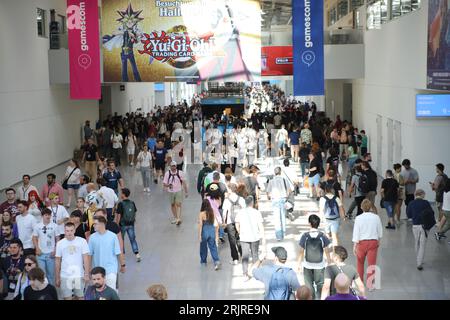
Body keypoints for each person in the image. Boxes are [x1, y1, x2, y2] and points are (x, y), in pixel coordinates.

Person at [297, 214, 332, 300]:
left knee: (309, 285)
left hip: (307, 265)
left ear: (309, 223)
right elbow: (327, 250)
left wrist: (298, 264)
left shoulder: (305, 236)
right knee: (320, 284)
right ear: (318, 224)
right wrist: (329, 261)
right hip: (320, 265)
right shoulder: (322, 236)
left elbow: (301, 251)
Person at [352, 199, 383, 290]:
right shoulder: (376, 217)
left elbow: (356, 233)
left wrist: (354, 245)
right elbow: (380, 231)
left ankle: (360, 283)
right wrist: (379, 240)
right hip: (373, 242)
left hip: (361, 243)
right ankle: (370, 285)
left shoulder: (358, 218)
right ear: (371, 208)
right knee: (372, 264)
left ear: (361, 207)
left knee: (360, 263)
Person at [55, 222, 90, 300]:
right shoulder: (60, 243)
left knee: (80, 297)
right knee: (67, 298)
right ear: (64, 231)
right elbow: (58, 261)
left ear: (74, 230)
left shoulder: (82, 241)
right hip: (65, 275)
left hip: (79, 275)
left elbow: (86, 258)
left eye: (71, 230)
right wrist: (57, 277)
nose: (69, 233)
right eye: (67, 231)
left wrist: (86, 274)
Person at [88, 216, 124, 291]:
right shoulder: (92, 237)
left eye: (95, 224)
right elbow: (89, 255)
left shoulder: (113, 236)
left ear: (102, 224)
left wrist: (123, 265)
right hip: (97, 272)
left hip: (110, 271)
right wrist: (88, 270)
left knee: (111, 292)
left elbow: (118, 252)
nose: (93, 225)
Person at [235, 196, 265, 281]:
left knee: (245, 255)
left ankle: (245, 274)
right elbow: (260, 226)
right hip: (255, 237)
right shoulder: (257, 212)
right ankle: (257, 273)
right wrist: (263, 238)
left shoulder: (240, 212)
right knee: (255, 255)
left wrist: (240, 232)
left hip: (244, 237)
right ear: (252, 203)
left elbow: (237, 224)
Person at [405, 189, 435, 270]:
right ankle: (419, 262)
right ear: (422, 194)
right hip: (424, 226)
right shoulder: (426, 203)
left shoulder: (411, 203)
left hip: (415, 226)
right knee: (422, 244)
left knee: (417, 242)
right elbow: (432, 213)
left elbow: (409, 215)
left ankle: (419, 258)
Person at [32, 208, 58, 285]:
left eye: (49, 215)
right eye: (46, 215)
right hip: (40, 254)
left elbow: (58, 238)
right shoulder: (37, 226)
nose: (48, 216)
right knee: (41, 275)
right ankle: (42, 292)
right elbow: (34, 238)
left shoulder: (55, 226)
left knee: (51, 275)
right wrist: (37, 249)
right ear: (42, 216)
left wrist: (55, 250)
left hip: (51, 254)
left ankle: (51, 292)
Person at [221, 184, 244, 265]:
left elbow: (224, 212)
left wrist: (224, 221)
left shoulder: (227, 200)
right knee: (240, 238)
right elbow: (244, 210)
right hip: (240, 221)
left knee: (232, 241)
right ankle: (242, 255)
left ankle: (235, 259)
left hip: (230, 222)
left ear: (230, 190)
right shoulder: (241, 199)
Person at [116, 188, 141, 262]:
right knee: (132, 239)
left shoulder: (120, 204)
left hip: (123, 224)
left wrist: (117, 224)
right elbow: (135, 212)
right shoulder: (132, 202)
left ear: (123, 194)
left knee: (121, 240)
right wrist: (134, 219)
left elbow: (119, 215)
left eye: (121, 193)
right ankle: (137, 254)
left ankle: (122, 255)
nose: (121, 194)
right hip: (131, 224)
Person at [266, 167, 291, 241]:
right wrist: (286, 197)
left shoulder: (271, 181)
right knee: (283, 216)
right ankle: (283, 232)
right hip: (283, 199)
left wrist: (268, 197)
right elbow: (289, 190)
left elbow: (268, 191)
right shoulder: (284, 180)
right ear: (280, 172)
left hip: (275, 200)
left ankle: (278, 236)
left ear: (274, 173)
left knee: (277, 218)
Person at [163, 161, 188, 226]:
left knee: (178, 204)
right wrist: (168, 185)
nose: (173, 167)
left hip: (178, 190)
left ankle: (178, 218)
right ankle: (176, 217)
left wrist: (186, 192)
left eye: (174, 166)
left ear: (176, 166)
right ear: (170, 167)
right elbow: (164, 184)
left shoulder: (180, 173)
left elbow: (184, 183)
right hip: (171, 191)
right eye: (172, 166)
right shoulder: (167, 174)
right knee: (172, 204)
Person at [198, 199, 221, 270]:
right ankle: (216, 261)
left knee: (203, 247)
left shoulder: (201, 214)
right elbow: (216, 223)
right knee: (213, 247)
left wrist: (199, 235)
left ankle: (203, 261)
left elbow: (200, 225)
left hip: (205, 231)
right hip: (211, 231)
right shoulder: (212, 212)